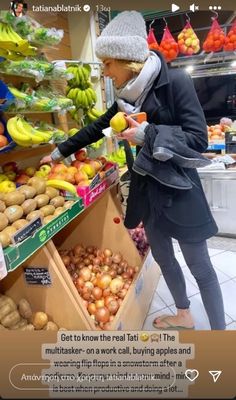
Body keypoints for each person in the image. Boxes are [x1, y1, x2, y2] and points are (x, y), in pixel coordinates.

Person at [40, 11, 226, 330]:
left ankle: (222, 336)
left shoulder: (176, 83)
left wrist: (147, 134)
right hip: (149, 192)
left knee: (200, 266)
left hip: (180, 190)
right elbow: (98, 128)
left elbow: (197, 139)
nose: (106, 72)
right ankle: (184, 313)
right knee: (164, 258)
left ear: (128, 60)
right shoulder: (126, 99)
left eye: (109, 64)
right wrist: (59, 152)